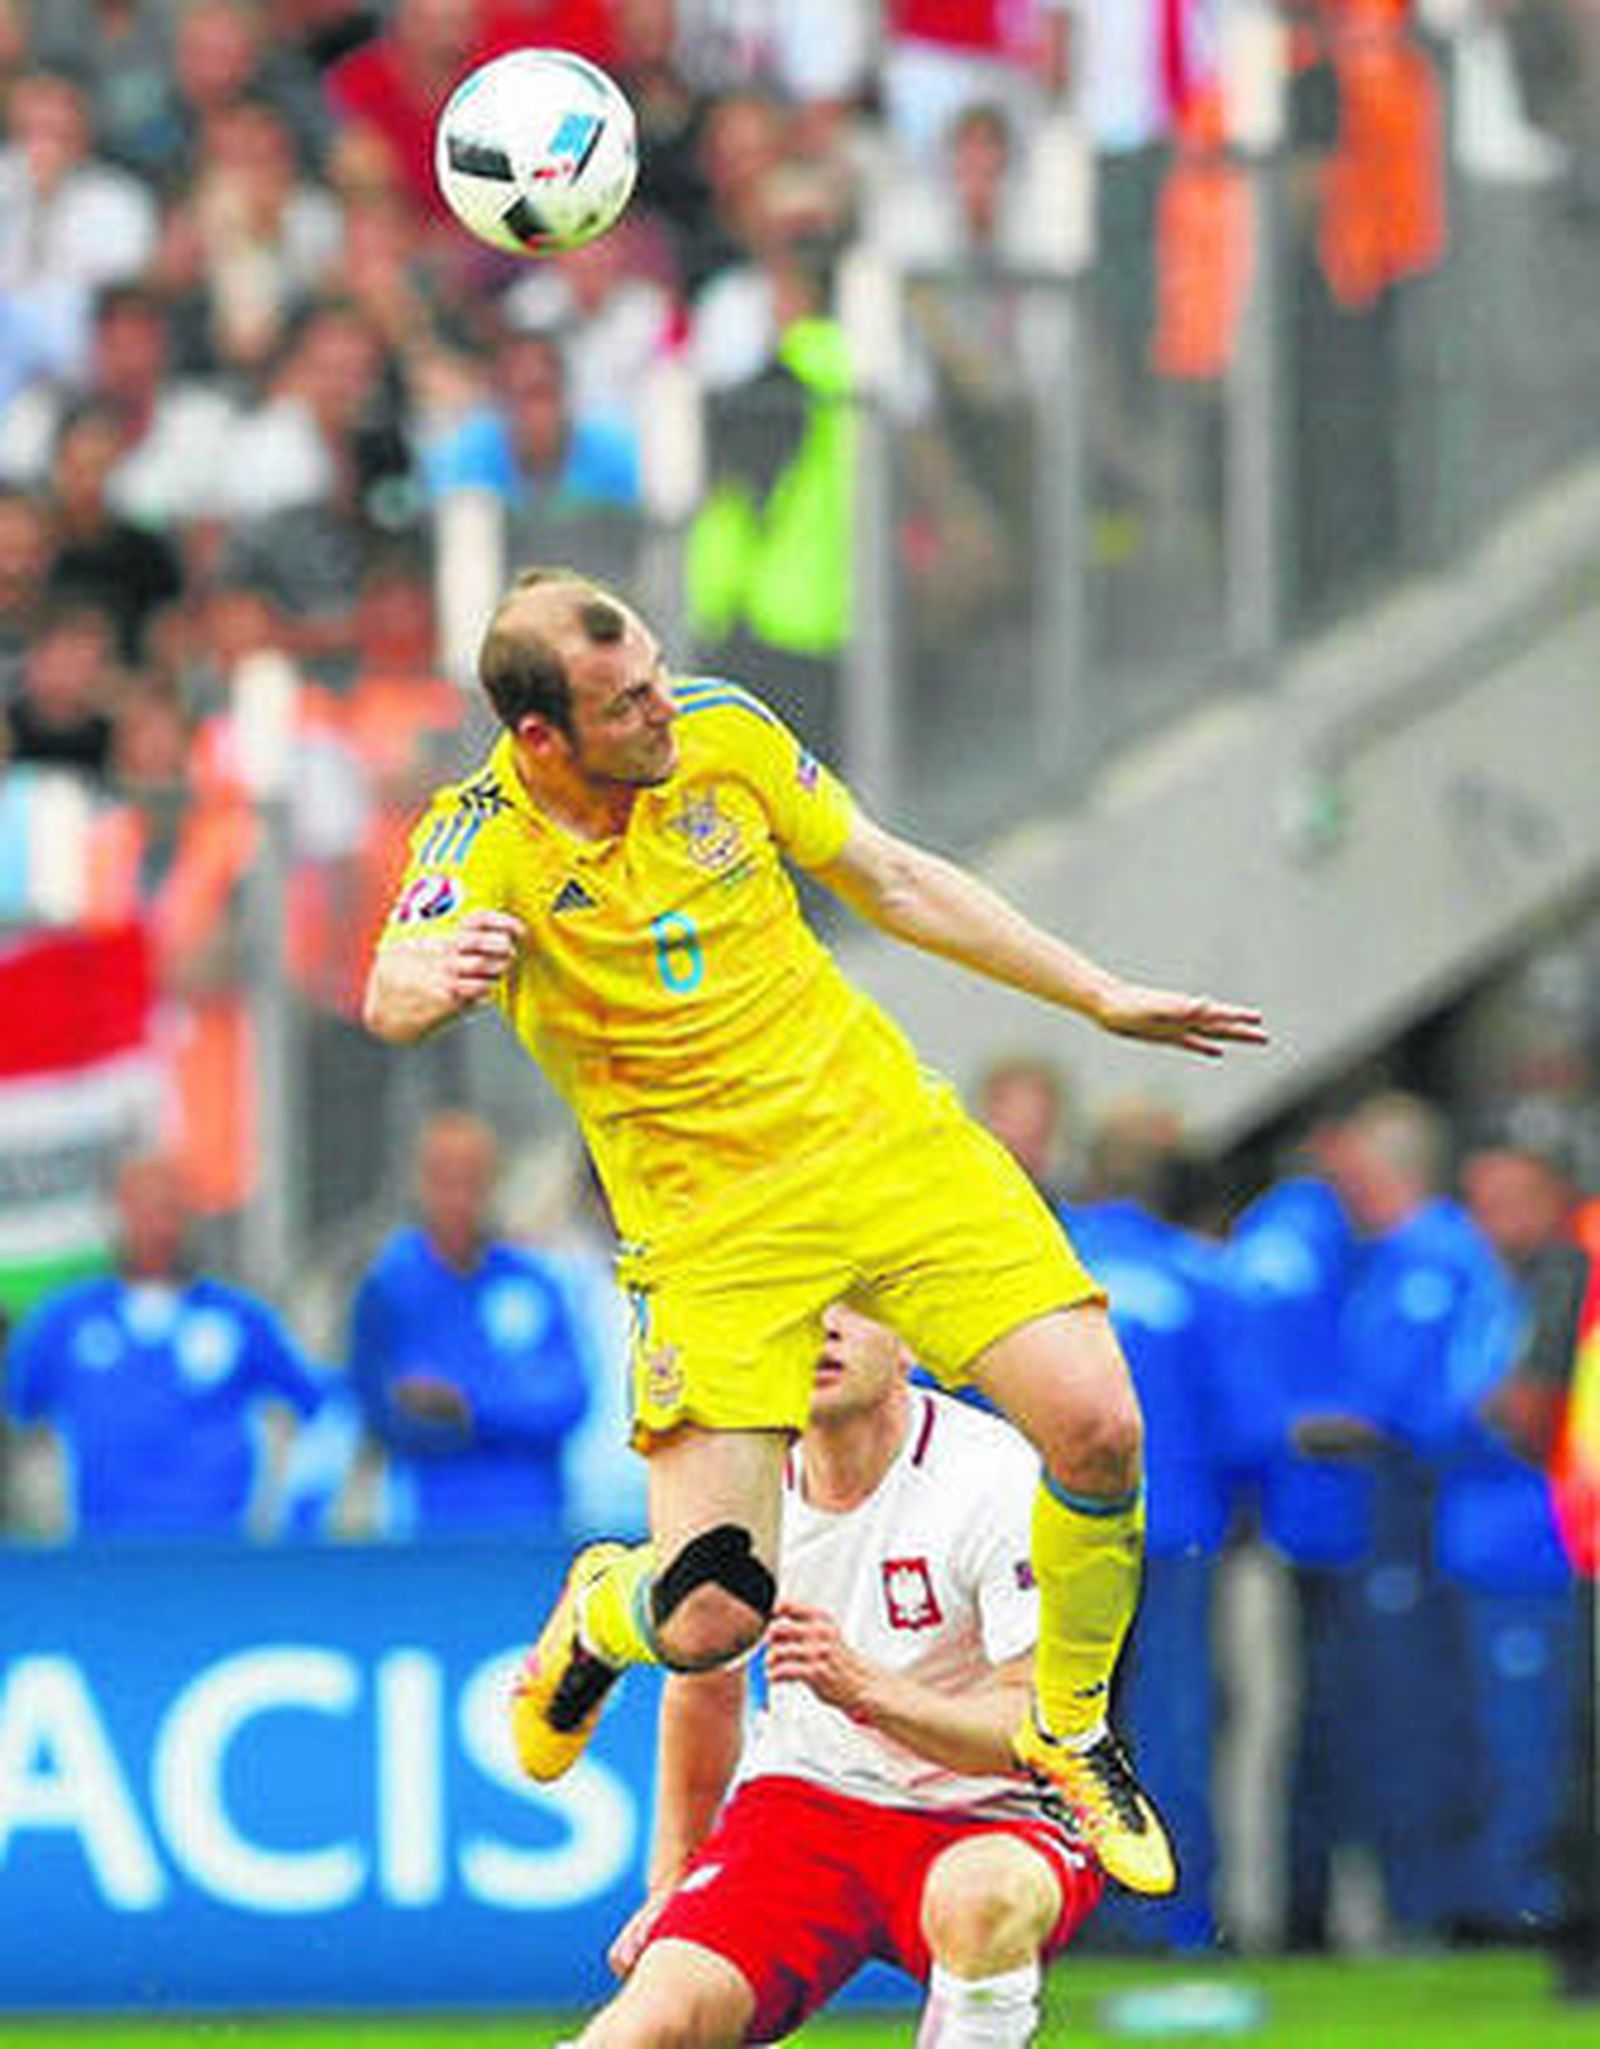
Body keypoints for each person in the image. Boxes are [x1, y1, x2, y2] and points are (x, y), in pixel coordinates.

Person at [362, 565, 1267, 1895]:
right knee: (711, 1615)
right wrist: (423, 984)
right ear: (541, 735)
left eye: (661, 675)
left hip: (887, 1147)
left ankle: (1067, 1729)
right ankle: (600, 1613)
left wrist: (1097, 994)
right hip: (714, 1227)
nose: (666, 709)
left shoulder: (720, 733)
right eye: (626, 703)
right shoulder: (481, 833)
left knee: (1099, 1424)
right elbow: (391, 978)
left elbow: (890, 876)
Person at [572, 1304, 1102, 2047]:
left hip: (995, 1812)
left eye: (854, 1306)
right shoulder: (740, 1483)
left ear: (910, 1344)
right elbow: (703, 1688)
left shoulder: (995, 1475)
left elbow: (1036, 1727)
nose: (825, 1328)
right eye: (801, 1307)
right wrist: (673, 1885)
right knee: (646, 2027)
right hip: (807, 1806)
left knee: (979, 1901)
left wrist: (871, 1691)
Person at [2, 1152, 339, 1539]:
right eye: (145, 1212)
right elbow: (16, 1419)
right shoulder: (64, 1321)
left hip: (219, 1557)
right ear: (118, 1216)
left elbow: (324, 1411)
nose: (160, 1228)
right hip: (102, 1558)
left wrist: (302, 1518)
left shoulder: (239, 1317)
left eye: (172, 1211)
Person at [348, 1109, 594, 1539]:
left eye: (472, 1179)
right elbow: (379, 1407)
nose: (459, 1196)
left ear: (492, 1183)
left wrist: (467, 1408)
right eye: (445, 1179)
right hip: (429, 1527)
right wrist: (502, 1406)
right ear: (421, 1181)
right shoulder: (389, 1284)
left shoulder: (533, 1283)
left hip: (533, 1525)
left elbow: (568, 1400)